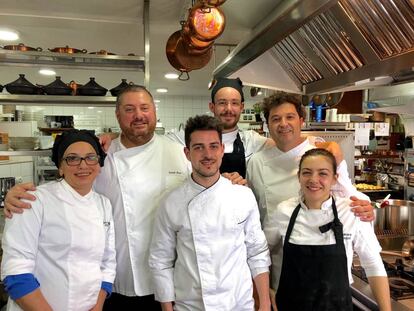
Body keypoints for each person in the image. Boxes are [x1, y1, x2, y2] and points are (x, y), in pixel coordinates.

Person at [4, 85, 190, 310]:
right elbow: (69, 188)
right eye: (129, 109)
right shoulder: (102, 154)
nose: (139, 115)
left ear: (155, 111)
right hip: (113, 284)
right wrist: (15, 196)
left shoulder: (180, 153)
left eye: (144, 107)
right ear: (118, 115)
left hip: (168, 278)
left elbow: (201, 187)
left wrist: (230, 180)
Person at [149, 115, 271, 311]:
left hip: (238, 303)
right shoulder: (171, 202)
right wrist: (166, 307)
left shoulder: (243, 196)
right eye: (198, 147)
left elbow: (257, 253)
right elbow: (160, 260)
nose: (207, 154)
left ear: (222, 150)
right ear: (187, 153)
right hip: (190, 305)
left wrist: (264, 303)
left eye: (214, 146)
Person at [1, 129, 116, 311]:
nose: (83, 165)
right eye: (72, 158)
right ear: (60, 167)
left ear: (99, 163)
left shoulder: (104, 205)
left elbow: (108, 263)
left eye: (90, 157)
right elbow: (16, 270)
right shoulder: (33, 200)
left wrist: (97, 306)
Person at [265, 148, 391, 311]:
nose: (313, 180)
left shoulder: (352, 211)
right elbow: (260, 253)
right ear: (299, 177)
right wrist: (264, 291)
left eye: (323, 173)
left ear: (334, 179)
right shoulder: (284, 211)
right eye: (307, 173)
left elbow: (373, 263)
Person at [247, 92, 373, 223]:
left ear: (301, 121)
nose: (283, 124)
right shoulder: (256, 162)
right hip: (273, 240)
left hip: (317, 238)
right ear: (267, 125)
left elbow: (347, 193)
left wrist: (365, 206)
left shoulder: (323, 154)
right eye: (276, 119)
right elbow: (250, 207)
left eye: (290, 117)